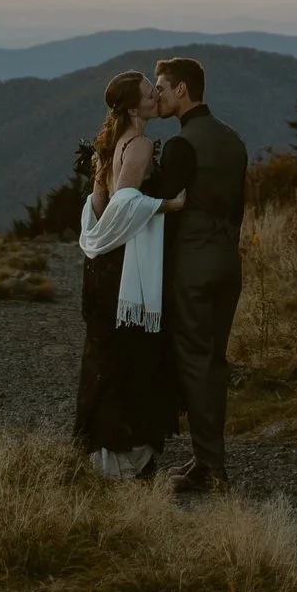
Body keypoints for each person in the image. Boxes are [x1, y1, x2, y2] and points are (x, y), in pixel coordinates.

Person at [143, 54, 248, 496]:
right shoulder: (232, 139)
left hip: (194, 263)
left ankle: (212, 468)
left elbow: (162, 202)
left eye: (162, 87)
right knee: (214, 362)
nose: (158, 95)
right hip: (228, 260)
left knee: (196, 363)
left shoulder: (185, 145)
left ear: (182, 89)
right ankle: (206, 459)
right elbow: (238, 208)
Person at [73, 70, 181, 477]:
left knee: (105, 355)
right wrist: (166, 206)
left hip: (100, 266)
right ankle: (121, 458)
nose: (157, 96)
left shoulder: (109, 145)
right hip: (122, 269)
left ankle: (102, 452)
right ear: (135, 107)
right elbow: (122, 206)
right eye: (150, 93)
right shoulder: (139, 145)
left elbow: (98, 205)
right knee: (130, 358)